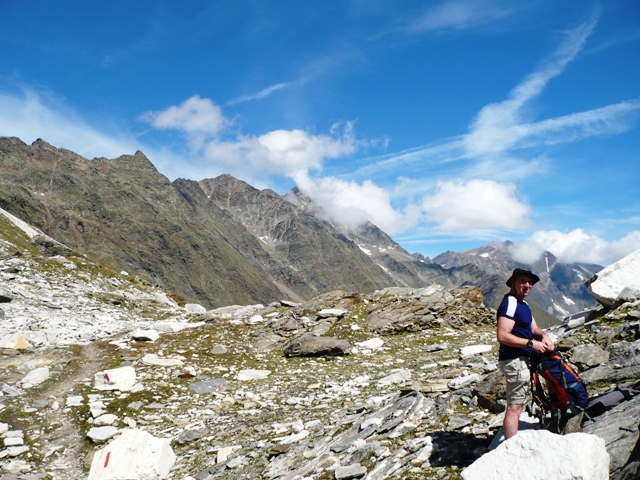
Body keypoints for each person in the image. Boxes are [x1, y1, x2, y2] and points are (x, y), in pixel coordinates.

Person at [497, 267, 554, 439]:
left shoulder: (524, 305)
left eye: (530, 282)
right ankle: (509, 448)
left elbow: (533, 328)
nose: (527, 285)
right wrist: (531, 343)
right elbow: (502, 335)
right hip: (514, 360)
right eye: (522, 281)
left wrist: (544, 336)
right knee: (515, 407)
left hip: (521, 360)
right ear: (513, 283)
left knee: (517, 405)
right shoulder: (510, 303)